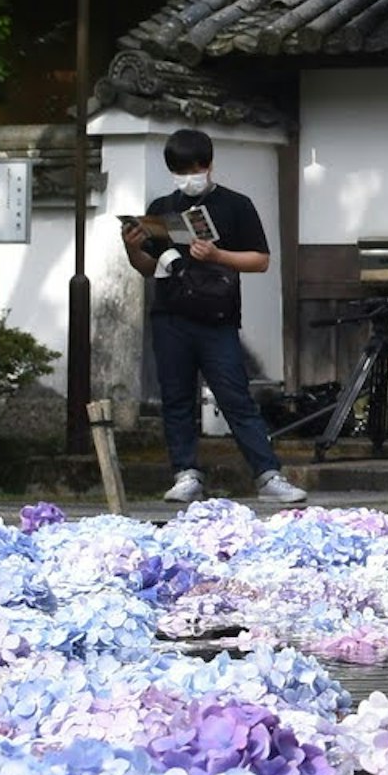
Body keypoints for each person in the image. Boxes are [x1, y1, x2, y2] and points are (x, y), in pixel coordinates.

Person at [122, 127, 304, 505]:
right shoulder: (161, 208)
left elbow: (260, 260)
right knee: (176, 398)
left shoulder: (236, 205)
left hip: (217, 316)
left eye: (195, 168)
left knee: (235, 397)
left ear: (208, 164)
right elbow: (146, 267)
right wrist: (133, 248)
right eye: (181, 170)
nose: (190, 177)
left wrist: (218, 255)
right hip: (170, 314)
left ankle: (268, 474)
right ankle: (185, 473)